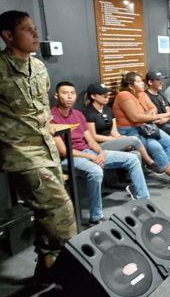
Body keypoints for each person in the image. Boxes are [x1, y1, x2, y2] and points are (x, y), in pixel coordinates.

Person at [0, 10, 77, 278]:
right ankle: (73, 270)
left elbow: (42, 108)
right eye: (27, 30)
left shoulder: (38, 66)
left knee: (47, 212)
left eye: (35, 28)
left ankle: (47, 268)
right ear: (8, 36)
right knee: (61, 209)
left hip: (46, 147)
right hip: (21, 153)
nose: (36, 34)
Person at [51, 81, 151, 224]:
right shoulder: (51, 117)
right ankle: (96, 216)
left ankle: (143, 201)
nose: (69, 97)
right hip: (70, 158)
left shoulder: (78, 114)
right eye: (64, 93)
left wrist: (101, 152)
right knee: (96, 171)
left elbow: (91, 140)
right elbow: (64, 151)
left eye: (72, 93)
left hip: (87, 151)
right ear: (56, 95)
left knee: (133, 159)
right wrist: (91, 156)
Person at [112, 72, 170, 186]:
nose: (142, 83)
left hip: (145, 127)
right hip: (130, 131)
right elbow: (135, 118)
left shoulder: (142, 94)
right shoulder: (124, 95)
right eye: (139, 81)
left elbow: (152, 107)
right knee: (156, 146)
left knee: (169, 141)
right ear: (131, 86)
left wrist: (149, 114)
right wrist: (160, 115)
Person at [83, 82, 166, 174]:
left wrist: (120, 139)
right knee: (134, 140)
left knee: (136, 153)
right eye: (102, 95)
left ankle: (133, 183)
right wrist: (114, 139)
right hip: (98, 145)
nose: (106, 96)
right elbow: (93, 137)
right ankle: (150, 163)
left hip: (111, 140)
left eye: (107, 94)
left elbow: (114, 132)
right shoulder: (88, 113)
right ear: (93, 96)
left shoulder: (108, 110)